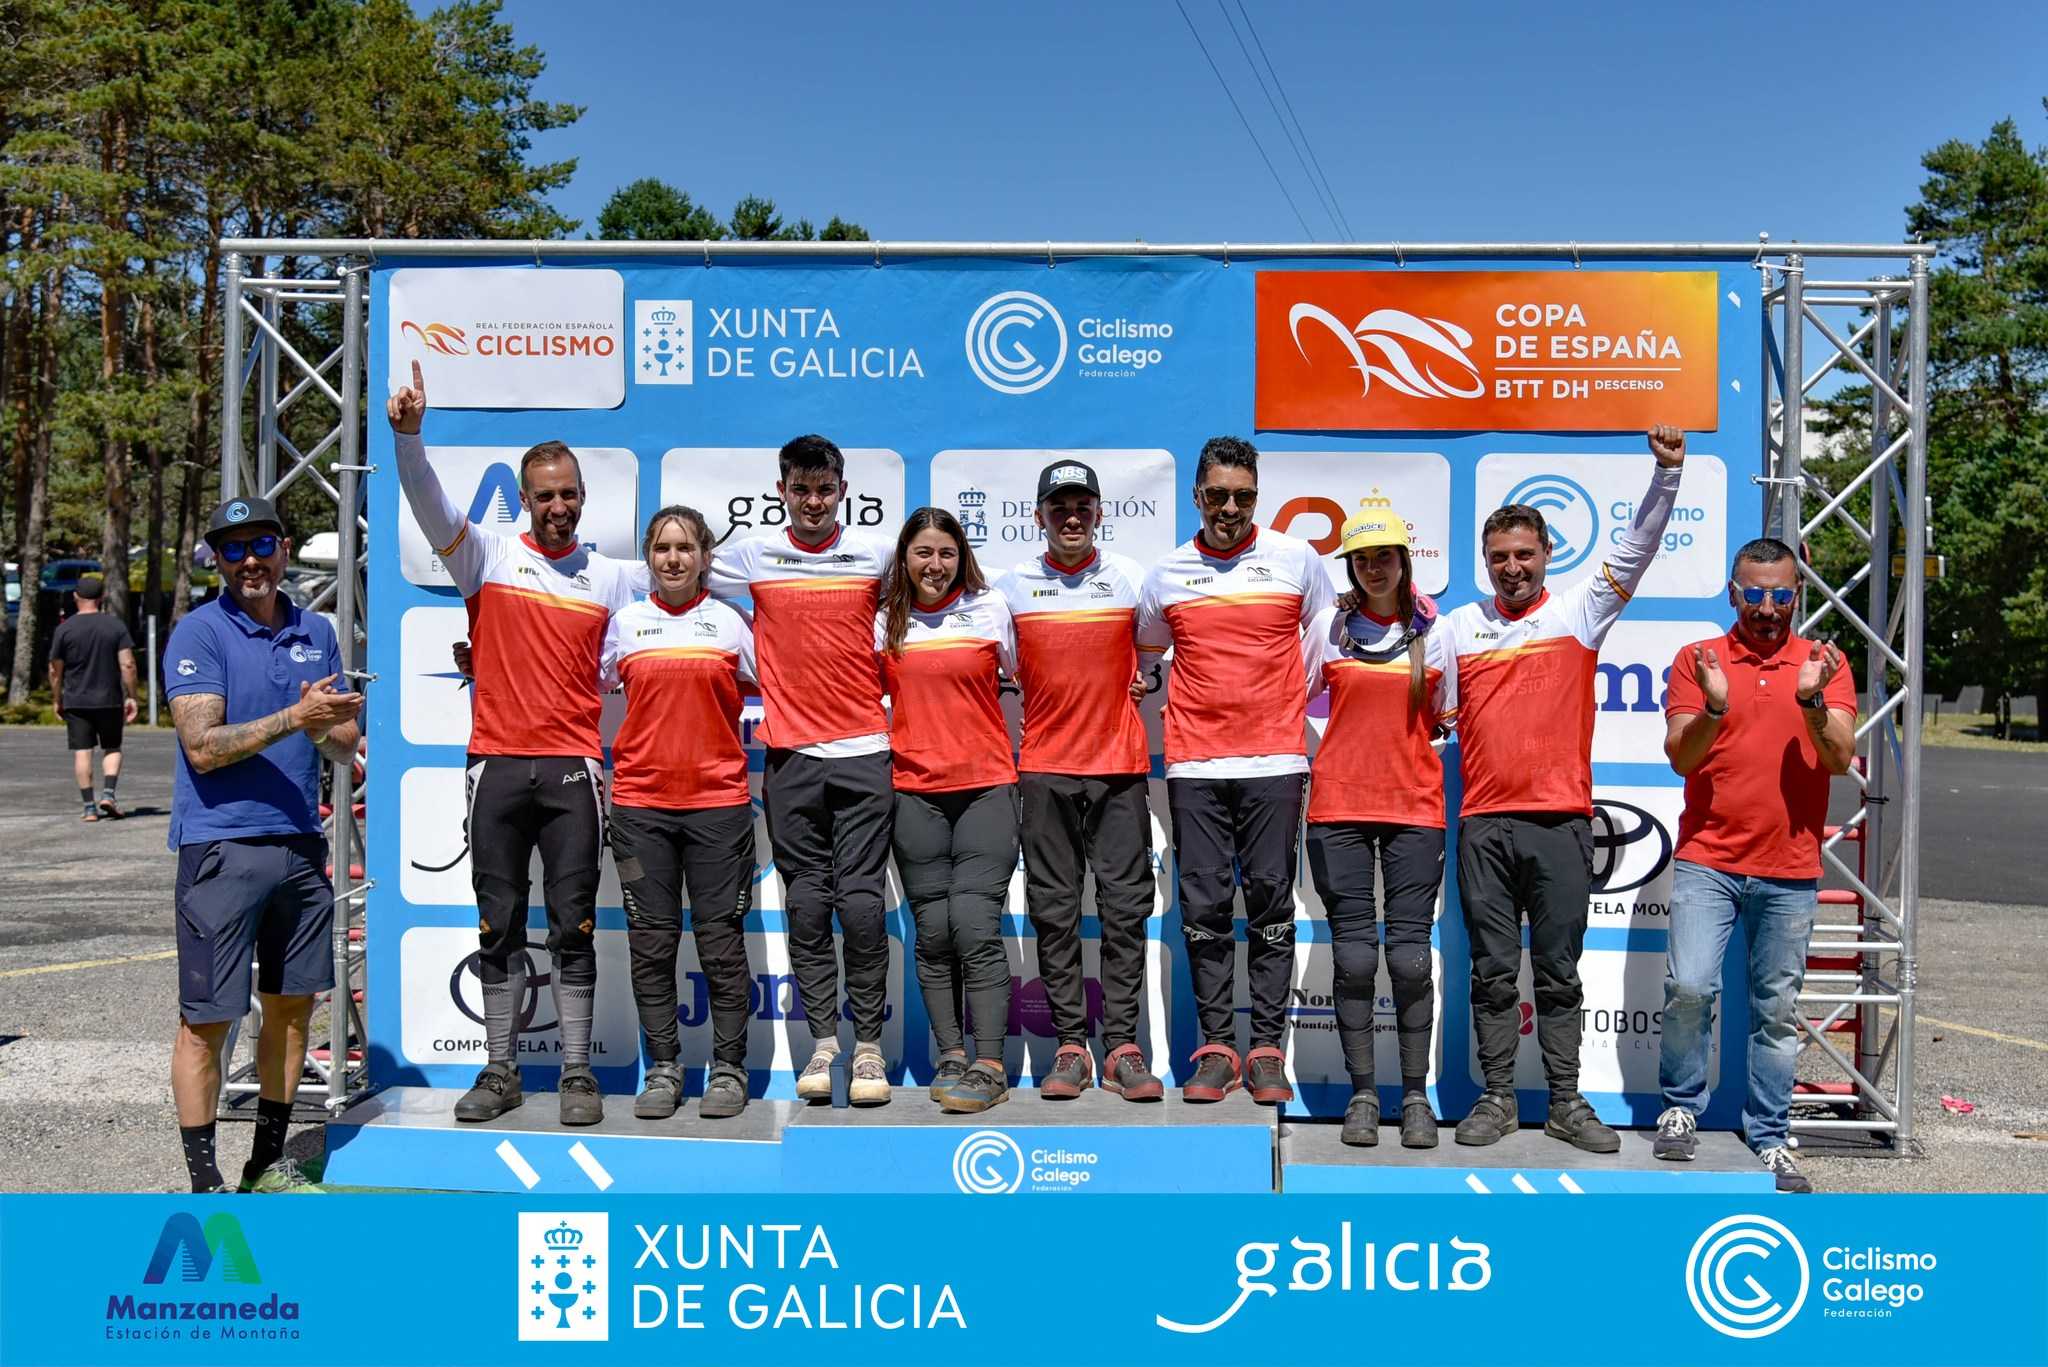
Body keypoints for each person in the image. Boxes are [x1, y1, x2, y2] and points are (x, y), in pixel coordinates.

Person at [388, 362, 642, 1126]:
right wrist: (408, 438)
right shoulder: (488, 558)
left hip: (573, 769)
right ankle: (498, 1069)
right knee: (497, 922)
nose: (558, 505)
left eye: (569, 493)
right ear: (523, 501)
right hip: (496, 765)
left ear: (583, 498)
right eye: (545, 495)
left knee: (574, 925)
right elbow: (427, 502)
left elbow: (654, 646)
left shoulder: (611, 579)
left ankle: (575, 1073)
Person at [1442, 425, 1687, 1152]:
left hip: (1559, 825)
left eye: (1523, 554)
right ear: (1484, 563)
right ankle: (1495, 1097)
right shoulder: (1458, 626)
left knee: (1557, 972)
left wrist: (1667, 475)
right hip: (1484, 823)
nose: (1511, 568)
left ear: (1548, 555)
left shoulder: (1581, 611)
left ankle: (1564, 1100)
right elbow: (1434, 713)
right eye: (1498, 558)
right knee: (1491, 970)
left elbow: (1636, 551)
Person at [164, 496, 362, 1193]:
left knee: (289, 1010)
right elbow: (203, 746)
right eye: (232, 549)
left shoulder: (318, 631)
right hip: (222, 848)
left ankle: (266, 1163)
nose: (249, 560)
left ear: (282, 548)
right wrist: (296, 715)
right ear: (216, 560)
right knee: (208, 1019)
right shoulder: (198, 633)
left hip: (301, 848)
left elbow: (340, 745)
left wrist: (325, 725)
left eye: (261, 545)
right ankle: (204, 1180)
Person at [1137, 436, 1334, 1103]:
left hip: (1276, 759)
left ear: (1258, 496)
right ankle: (1218, 1049)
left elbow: (1322, 640)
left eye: (1243, 496)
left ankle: (1269, 1050)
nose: (1230, 507)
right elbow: (1149, 652)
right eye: (1217, 495)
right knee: (1204, 907)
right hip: (1194, 762)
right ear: (1197, 497)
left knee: (1273, 906)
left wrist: (1280, 700)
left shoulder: (1296, 559)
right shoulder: (1165, 573)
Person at [1655, 538, 1856, 1193]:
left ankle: (1769, 1136)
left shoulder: (1824, 663)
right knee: (1690, 989)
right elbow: (1682, 758)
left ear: (1796, 594)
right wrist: (1715, 705)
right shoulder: (1698, 660)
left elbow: (1838, 759)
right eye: (1754, 593)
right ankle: (1681, 1108)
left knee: (1775, 1009)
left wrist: (1812, 700)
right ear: (1733, 592)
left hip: (1790, 868)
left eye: (1780, 594)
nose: (1767, 607)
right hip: (1707, 861)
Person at [706, 435, 893, 1106]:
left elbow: (938, 602)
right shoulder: (753, 555)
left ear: (843, 491)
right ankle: (824, 1044)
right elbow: (664, 576)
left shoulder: (878, 555)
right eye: (801, 489)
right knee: (808, 906)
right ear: (781, 491)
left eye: (825, 489)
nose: (813, 501)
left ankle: (868, 1047)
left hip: (866, 751)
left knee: (865, 907)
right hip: (789, 756)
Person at [993, 460, 1161, 1101]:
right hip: (1042, 768)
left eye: (1082, 506)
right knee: (1054, 913)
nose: (1071, 517)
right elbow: (1002, 667)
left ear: (1098, 512)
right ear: (1038, 516)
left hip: (1119, 768)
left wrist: (1144, 681)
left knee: (1125, 912)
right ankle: (1069, 1045)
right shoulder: (1011, 590)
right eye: (1058, 506)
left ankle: (1120, 1046)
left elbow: (1153, 660)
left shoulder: (1129, 581)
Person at [1302, 497, 1455, 1148]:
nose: (1373, 569)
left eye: (1383, 557)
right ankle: (1364, 1093)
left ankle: (1415, 1095)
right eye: (1361, 559)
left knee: (1412, 959)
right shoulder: (1331, 631)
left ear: (1403, 560)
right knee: (1358, 957)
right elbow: (1295, 696)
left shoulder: (1437, 632)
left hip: (1414, 809)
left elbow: (1445, 717)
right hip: (1338, 807)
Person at [604, 506, 760, 1122]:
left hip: (719, 808)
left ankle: (729, 1068)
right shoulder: (625, 624)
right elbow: (569, 684)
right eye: (663, 548)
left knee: (721, 947)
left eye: (686, 548)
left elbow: (778, 684)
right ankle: (664, 1069)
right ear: (648, 556)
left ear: (704, 557)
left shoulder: (729, 623)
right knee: (651, 946)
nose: (674, 559)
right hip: (641, 809)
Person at [877, 508, 1019, 1113]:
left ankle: (990, 1063)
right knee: (931, 936)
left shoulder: (990, 611)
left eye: (947, 553)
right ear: (904, 560)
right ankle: (951, 1055)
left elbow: (1031, 676)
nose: (935, 565)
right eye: (923, 553)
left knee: (973, 926)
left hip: (986, 787)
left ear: (963, 558)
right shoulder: (884, 624)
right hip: (912, 792)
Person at [48, 574, 139, 820]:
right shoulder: (115, 626)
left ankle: (89, 807)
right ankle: (108, 793)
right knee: (112, 747)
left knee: (83, 751)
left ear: (76, 597)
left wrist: (58, 698)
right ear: (102, 598)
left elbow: (55, 670)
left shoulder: (64, 629)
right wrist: (132, 696)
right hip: (109, 699)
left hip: (76, 700)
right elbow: (128, 664)